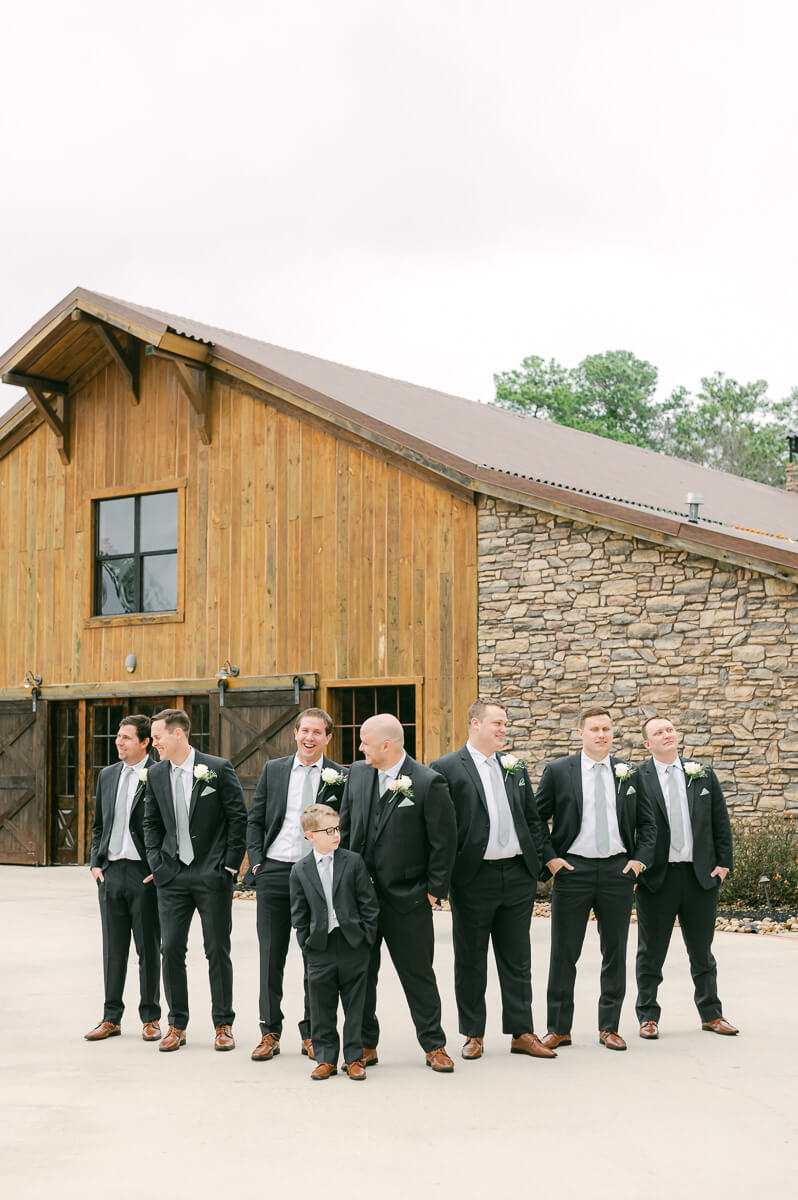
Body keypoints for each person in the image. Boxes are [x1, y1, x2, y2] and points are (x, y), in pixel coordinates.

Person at [431, 699, 557, 1060]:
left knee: (518, 958)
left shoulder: (514, 767)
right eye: (497, 723)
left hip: (517, 874)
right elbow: (440, 828)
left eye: (505, 724)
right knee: (470, 958)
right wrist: (443, 879)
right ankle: (473, 1033)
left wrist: (543, 861)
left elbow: (532, 819)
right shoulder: (446, 768)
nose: (504, 729)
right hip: (473, 877)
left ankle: (522, 1032)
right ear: (475, 724)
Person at [339, 713, 457, 1072]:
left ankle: (434, 1045)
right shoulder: (358, 774)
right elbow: (345, 826)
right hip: (361, 900)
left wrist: (434, 891)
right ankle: (364, 1045)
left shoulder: (427, 781)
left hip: (408, 899)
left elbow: (445, 841)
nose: (359, 748)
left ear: (386, 745)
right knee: (360, 975)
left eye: (364, 741)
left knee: (418, 974)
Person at [535, 706, 656, 1051]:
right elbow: (535, 818)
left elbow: (648, 825)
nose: (601, 735)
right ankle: (559, 1028)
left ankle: (609, 1027)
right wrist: (551, 859)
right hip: (573, 870)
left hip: (618, 871)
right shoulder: (559, 771)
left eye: (606, 729)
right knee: (563, 952)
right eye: (594, 729)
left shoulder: (629, 773)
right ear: (581, 734)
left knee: (615, 951)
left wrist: (638, 862)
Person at [246, 708, 347, 1062]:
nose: (309, 738)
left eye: (317, 732)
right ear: (295, 733)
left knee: (315, 958)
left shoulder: (339, 776)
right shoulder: (275, 770)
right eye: (305, 731)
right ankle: (269, 1031)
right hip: (274, 870)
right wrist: (258, 862)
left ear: (327, 738)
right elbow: (255, 818)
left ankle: (312, 1034)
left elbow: (342, 828)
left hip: (316, 875)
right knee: (271, 957)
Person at [143, 708, 247, 1052]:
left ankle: (223, 1024)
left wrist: (230, 867)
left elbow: (237, 817)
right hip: (172, 876)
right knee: (170, 948)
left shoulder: (217, 768)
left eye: (157, 736)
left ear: (178, 734)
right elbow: (151, 823)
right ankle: (177, 1024)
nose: (154, 742)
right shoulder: (156, 774)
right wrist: (158, 865)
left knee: (217, 949)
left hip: (212, 874)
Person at [634, 715, 737, 1039]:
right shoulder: (638, 777)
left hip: (700, 878)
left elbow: (719, 819)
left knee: (702, 951)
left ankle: (712, 1014)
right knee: (651, 952)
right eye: (658, 732)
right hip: (657, 879)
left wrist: (724, 863)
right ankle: (647, 1016)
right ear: (647, 744)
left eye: (669, 729)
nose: (667, 734)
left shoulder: (702, 773)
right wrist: (634, 867)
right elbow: (628, 825)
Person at [85, 715, 161, 1043]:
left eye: (127, 737)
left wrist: (158, 867)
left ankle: (150, 1017)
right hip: (110, 872)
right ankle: (111, 1017)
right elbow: (99, 822)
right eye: (118, 736)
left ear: (144, 742)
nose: (119, 742)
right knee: (113, 949)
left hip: (143, 874)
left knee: (147, 948)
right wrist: (95, 862)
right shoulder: (107, 775)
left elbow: (169, 826)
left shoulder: (159, 774)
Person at [290, 804, 379, 1080]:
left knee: (356, 1005)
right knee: (321, 1005)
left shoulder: (352, 861)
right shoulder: (300, 870)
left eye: (337, 828)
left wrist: (366, 938)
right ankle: (326, 1057)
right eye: (328, 831)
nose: (335, 835)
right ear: (310, 835)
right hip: (320, 946)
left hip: (353, 943)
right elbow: (299, 913)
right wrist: (307, 942)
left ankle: (354, 1058)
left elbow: (369, 904)